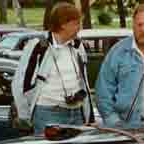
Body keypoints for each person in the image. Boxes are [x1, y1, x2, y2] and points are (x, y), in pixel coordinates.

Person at [13, 2, 94, 135]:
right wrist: (24, 116)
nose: (79, 28)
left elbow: (84, 83)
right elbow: (20, 84)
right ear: (63, 24)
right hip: (48, 113)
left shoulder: (78, 46)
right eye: (76, 24)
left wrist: (89, 116)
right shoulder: (38, 47)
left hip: (76, 113)